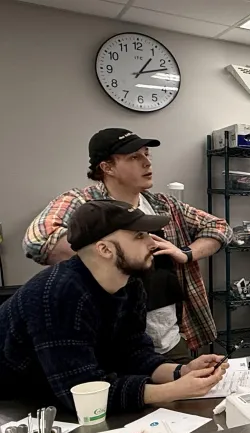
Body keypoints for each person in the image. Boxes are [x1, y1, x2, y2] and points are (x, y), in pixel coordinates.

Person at [23, 128, 233, 363]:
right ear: (107, 167)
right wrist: (113, 255)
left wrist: (186, 253)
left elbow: (220, 228)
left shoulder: (164, 205)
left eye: (146, 154)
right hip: (111, 343)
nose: (146, 162)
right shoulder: (83, 202)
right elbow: (38, 240)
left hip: (170, 338)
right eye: (134, 157)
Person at [0, 201, 229, 414]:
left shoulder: (130, 284)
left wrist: (181, 372)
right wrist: (174, 390)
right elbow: (81, 393)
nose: (153, 242)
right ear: (105, 249)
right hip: (17, 409)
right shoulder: (59, 295)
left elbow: (134, 353)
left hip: (57, 401)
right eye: (139, 236)